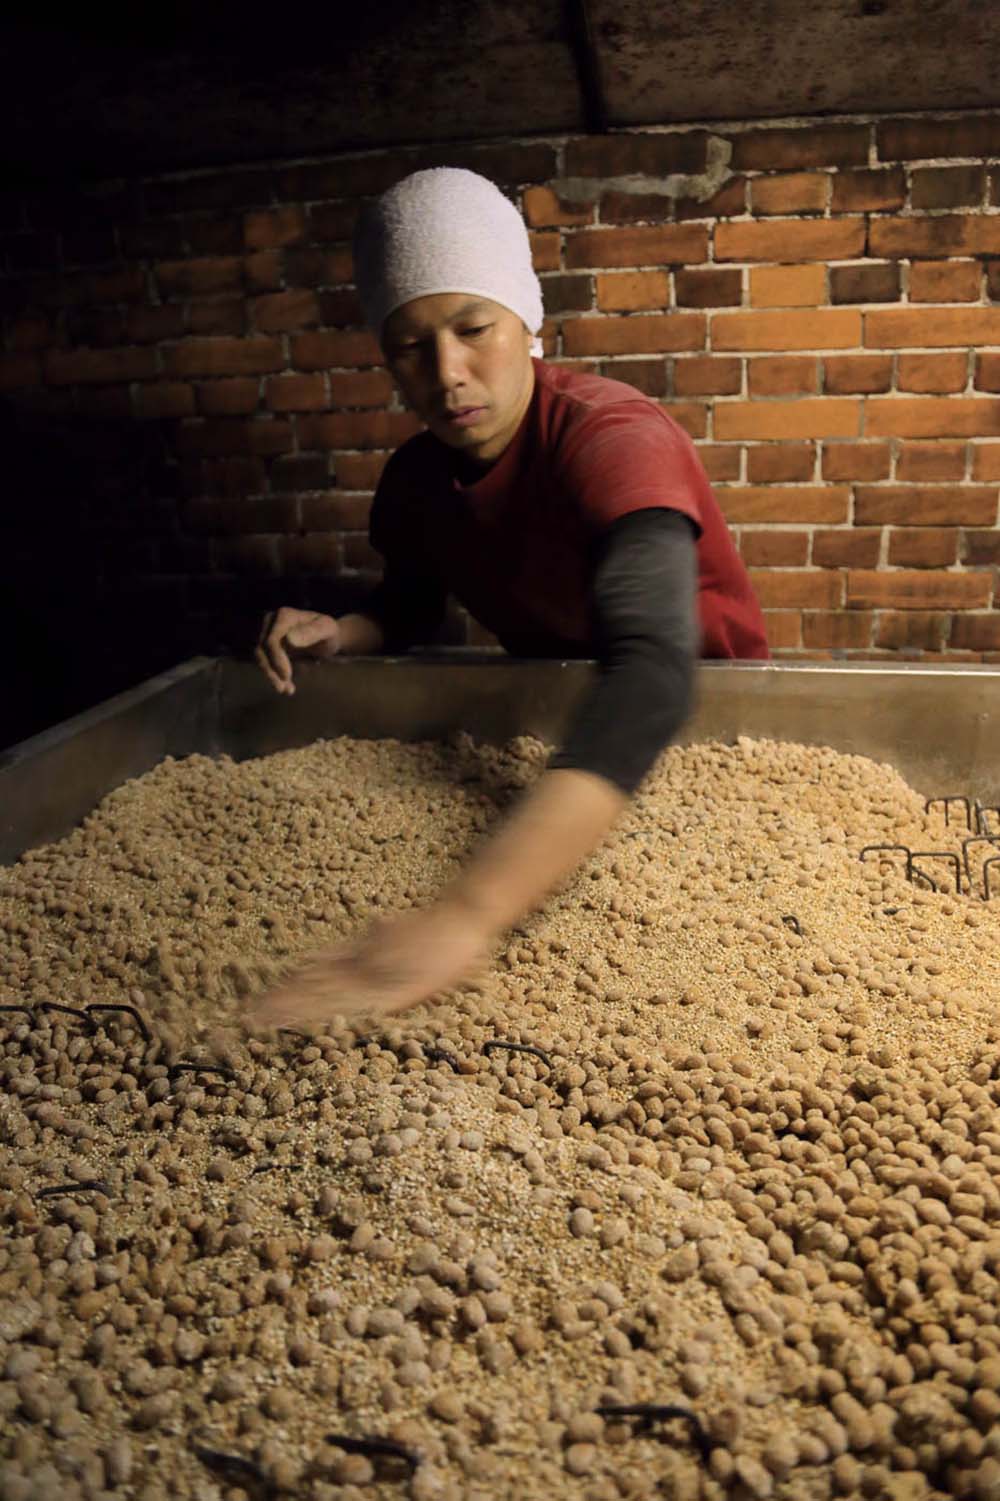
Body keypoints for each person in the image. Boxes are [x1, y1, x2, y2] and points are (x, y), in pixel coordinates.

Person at [251, 167, 768, 1031]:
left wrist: (468, 912)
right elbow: (412, 609)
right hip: (562, 727)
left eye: (472, 327)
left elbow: (651, 675)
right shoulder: (416, 479)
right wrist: (340, 633)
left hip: (708, 734)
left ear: (530, 324)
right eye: (410, 346)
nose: (447, 372)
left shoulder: (612, 436)